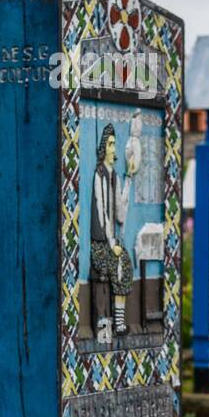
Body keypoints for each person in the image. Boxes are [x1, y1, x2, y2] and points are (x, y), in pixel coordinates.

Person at [89, 122, 137, 338]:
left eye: (114, 144)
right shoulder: (99, 175)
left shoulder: (115, 177)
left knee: (124, 265)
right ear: (102, 148)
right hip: (100, 244)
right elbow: (101, 211)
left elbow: (119, 214)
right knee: (119, 261)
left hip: (111, 243)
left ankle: (119, 323)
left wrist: (128, 179)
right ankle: (114, 325)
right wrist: (111, 244)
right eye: (109, 144)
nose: (113, 149)